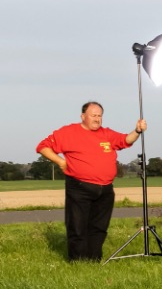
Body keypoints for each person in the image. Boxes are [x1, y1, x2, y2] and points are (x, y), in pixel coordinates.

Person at [37, 102, 144, 262]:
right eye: (93, 115)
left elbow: (125, 140)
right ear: (83, 116)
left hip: (105, 189)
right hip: (80, 187)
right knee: (78, 227)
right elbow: (43, 147)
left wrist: (137, 131)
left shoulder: (106, 134)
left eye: (100, 115)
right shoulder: (68, 132)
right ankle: (78, 262)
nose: (97, 119)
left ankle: (94, 260)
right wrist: (60, 162)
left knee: (99, 227)